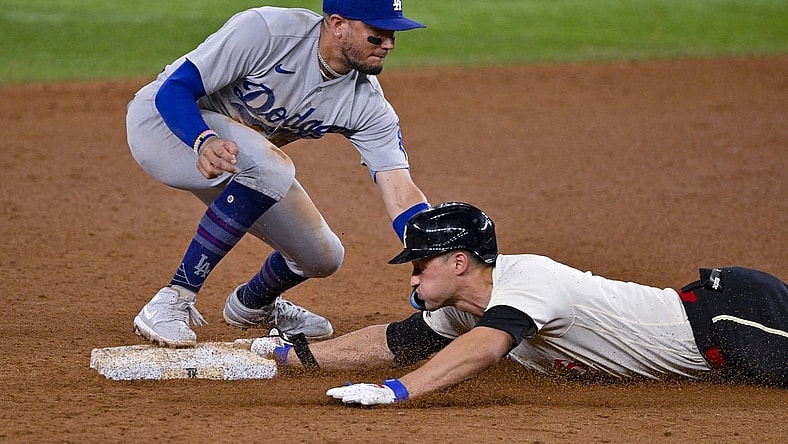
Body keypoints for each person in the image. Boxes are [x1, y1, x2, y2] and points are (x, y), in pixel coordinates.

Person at [250, 202, 788, 405]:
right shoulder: (462, 307)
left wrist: (400, 392)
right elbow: (396, 341)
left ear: (459, 262)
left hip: (728, 320)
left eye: (420, 264)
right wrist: (291, 355)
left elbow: (487, 347)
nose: (412, 275)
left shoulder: (528, 280)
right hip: (714, 343)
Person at [125, 0, 431, 348]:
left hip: (239, 161)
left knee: (323, 256)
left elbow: (400, 190)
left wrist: (434, 247)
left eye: (393, 34)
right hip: (165, 126)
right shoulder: (267, 32)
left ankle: (254, 305)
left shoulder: (368, 106)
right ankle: (172, 300)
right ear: (337, 24)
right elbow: (175, 89)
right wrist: (203, 140)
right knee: (272, 168)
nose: (389, 44)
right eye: (377, 35)